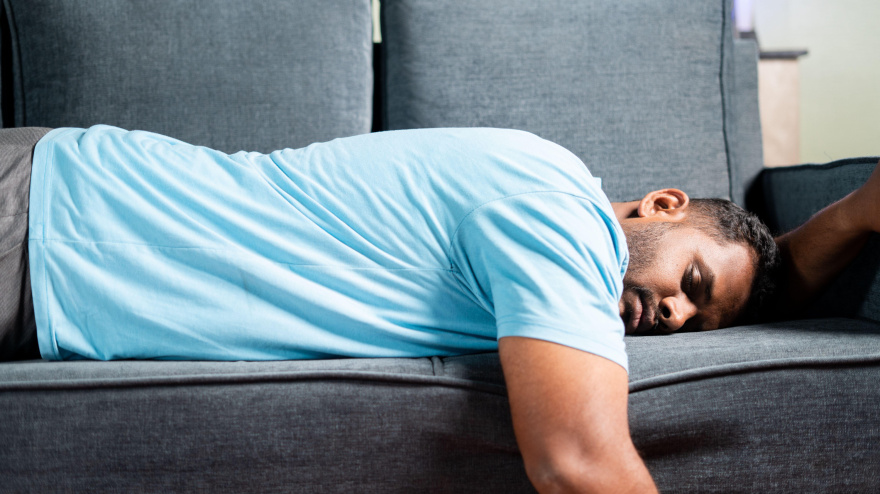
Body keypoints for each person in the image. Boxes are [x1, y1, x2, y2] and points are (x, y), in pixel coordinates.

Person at [0, 125, 872, 493]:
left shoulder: (563, 229)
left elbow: (769, 279)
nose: (678, 316)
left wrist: (862, 211)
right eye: (690, 284)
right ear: (662, 203)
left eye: (697, 318)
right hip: (42, 217)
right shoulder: (556, 214)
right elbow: (577, 462)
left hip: (52, 252)